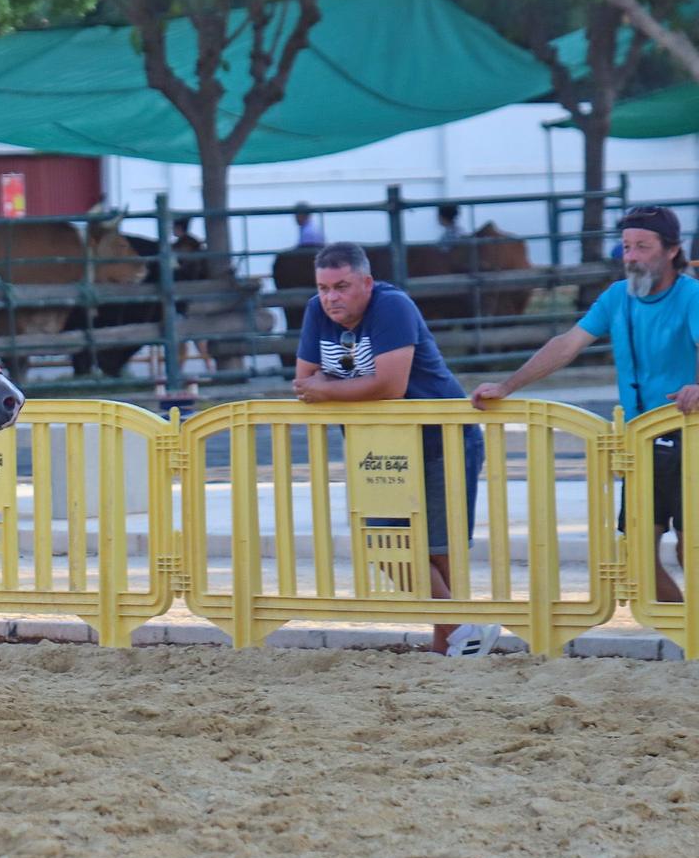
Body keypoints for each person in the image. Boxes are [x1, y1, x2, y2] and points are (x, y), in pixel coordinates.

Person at [472, 205, 699, 602]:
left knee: (689, 549)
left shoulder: (692, 296)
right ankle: (688, 630)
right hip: (641, 443)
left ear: (672, 251)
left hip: (689, 438)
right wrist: (508, 385)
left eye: (642, 247)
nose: (630, 256)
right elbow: (567, 345)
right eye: (626, 246)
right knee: (638, 559)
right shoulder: (616, 297)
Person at [294, 241, 497, 657]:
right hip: (378, 444)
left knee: (439, 551)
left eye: (342, 286)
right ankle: (464, 629)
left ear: (367, 283)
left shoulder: (393, 306)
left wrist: (331, 389)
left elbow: (390, 385)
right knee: (382, 542)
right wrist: (336, 389)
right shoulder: (317, 310)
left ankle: (452, 647)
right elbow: (303, 381)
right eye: (323, 287)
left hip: (442, 436)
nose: (331, 297)